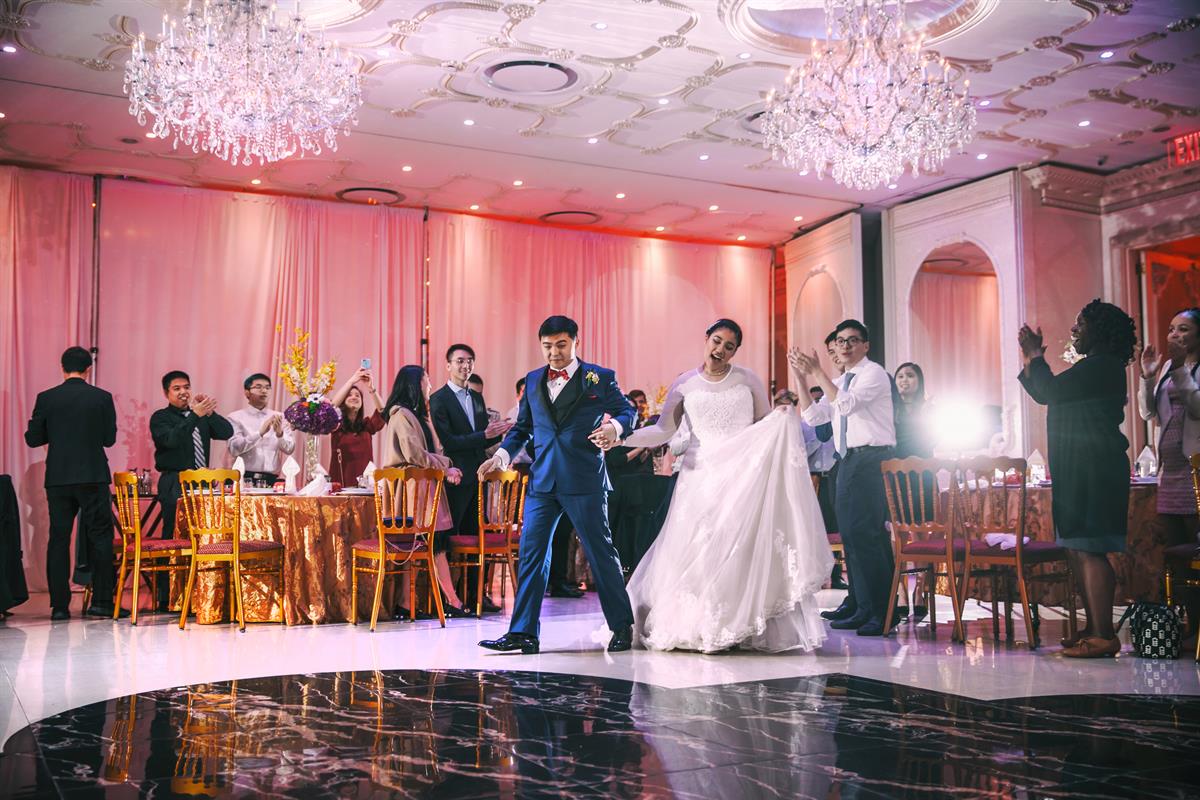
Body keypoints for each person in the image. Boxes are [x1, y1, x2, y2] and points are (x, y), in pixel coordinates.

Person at [619, 321, 831, 652]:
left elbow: (764, 425)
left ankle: (738, 625)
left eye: (729, 346)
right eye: (716, 341)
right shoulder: (684, 384)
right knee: (700, 552)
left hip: (741, 476)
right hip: (699, 478)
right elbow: (663, 431)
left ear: (735, 352)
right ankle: (702, 624)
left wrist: (783, 418)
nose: (720, 350)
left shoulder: (748, 379)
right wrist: (621, 437)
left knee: (738, 549)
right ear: (706, 339)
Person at [476, 315, 637, 654]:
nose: (554, 352)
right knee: (531, 554)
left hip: (584, 478)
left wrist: (615, 429)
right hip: (543, 481)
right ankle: (523, 633)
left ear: (576, 342)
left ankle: (622, 625)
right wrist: (502, 457)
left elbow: (627, 412)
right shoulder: (534, 380)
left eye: (561, 345)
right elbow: (523, 428)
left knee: (600, 553)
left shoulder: (599, 377)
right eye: (547, 346)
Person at [1018, 300, 1137, 658]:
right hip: (1078, 467)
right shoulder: (1093, 367)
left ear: (1099, 331)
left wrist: (1035, 357)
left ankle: (1104, 635)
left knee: (1089, 547)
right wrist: (1032, 360)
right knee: (1075, 546)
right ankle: (1093, 628)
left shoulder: (1103, 366)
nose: (1073, 330)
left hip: (1094, 470)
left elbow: (1050, 391)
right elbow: (1046, 392)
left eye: (1080, 323)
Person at [791, 319, 897, 637]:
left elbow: (846, 405)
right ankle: (861, 605)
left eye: (852, 340)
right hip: (848, 461)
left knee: (866, 537)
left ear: (865, 345)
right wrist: (801, 378)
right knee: (851, 537)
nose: (845, 346)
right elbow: (814, 417)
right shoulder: (842, 380)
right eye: (840, 341)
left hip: (870, 459)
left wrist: (817, 372)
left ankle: (881, 611)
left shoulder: (873, 374)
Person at [24, 347, 118, 620]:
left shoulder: (47, 398)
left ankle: (59, 606)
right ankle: (102, 602)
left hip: (59, 477)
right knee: (100, 537)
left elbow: (33, 438)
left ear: (62, 368)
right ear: (88, 369)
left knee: (59, 538)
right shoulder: (102, 398)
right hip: (92, 475)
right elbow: (109, 439)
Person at [380, 365, 473, 618]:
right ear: (415, 385)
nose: (430, 385)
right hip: (414, 491)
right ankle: (450, 601)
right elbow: (414, 454)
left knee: (428, 544)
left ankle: (407, 604)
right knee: (432, 544)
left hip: (423, 489)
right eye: (426, 380)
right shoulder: (401, 415)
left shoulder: (414, 415)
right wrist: (446, 465)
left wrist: (444, 467)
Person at [429, 345, 512, 614]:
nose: (466, 366)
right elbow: (449, 441)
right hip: (456, 476)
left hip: (479, 475)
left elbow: (481, 438)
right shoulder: (438, 399)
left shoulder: (476, 397)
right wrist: (485, 436)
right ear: (448, 365)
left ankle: (476, 594)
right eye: (460, 361)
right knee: (452, 538)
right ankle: (450, 597)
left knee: (478, 536)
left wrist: (499, 432)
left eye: (470, 361)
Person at [1138, 307, 1200, 638]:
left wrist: (1178, 369)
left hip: (1195, 472)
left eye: (1184, 329)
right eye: (1172, 329)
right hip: (1170, 472)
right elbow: (1148, 412)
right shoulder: (1167, 367)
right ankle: (1189, 623)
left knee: (1196, 547)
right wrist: (1148, 376)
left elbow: (1197, 407)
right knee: (1177, 552)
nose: (1175, 334)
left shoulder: (1183, 368)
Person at [150, 370, 233, 610]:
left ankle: (202, 593)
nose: (183, 392)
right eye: (177, 388)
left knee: (204, 537)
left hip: (202, 484)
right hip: (175, 482)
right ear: (166, 393)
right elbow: (171, 440)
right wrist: (194, 416)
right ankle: (168, 596)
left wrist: (209, 413)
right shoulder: (161, 418)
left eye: (186, 387)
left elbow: (226, 432)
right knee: (173, 535)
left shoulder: (200, 416)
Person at [226, 373, 294, 485]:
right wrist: (259, 433)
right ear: (247, 392)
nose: (264, 391)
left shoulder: (280, 417)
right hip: (243, 479)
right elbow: (234, 448)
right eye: (258, 387)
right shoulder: (235, 417)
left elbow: (289, 449)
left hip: (271, 480)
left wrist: (280, 434)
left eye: (267, 387)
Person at [328, 367, 387, 486]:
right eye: (349, 395)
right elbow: (331, 408)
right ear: (343, 401)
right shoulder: (336, 425)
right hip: (340, 485)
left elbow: (383, 412)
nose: (354, 397)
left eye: (357, 395)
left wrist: (371, 388)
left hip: (365, 486)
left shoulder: (367, 425)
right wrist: (352, 381)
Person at [893, 362, 934, 459]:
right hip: (895, 464)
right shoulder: (889, 408)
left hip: (923, 463)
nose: (904, 380)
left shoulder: (928, 408)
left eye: (910, 376)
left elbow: (934, 440)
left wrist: (925, 417)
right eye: (900, 377)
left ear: (920, 381)